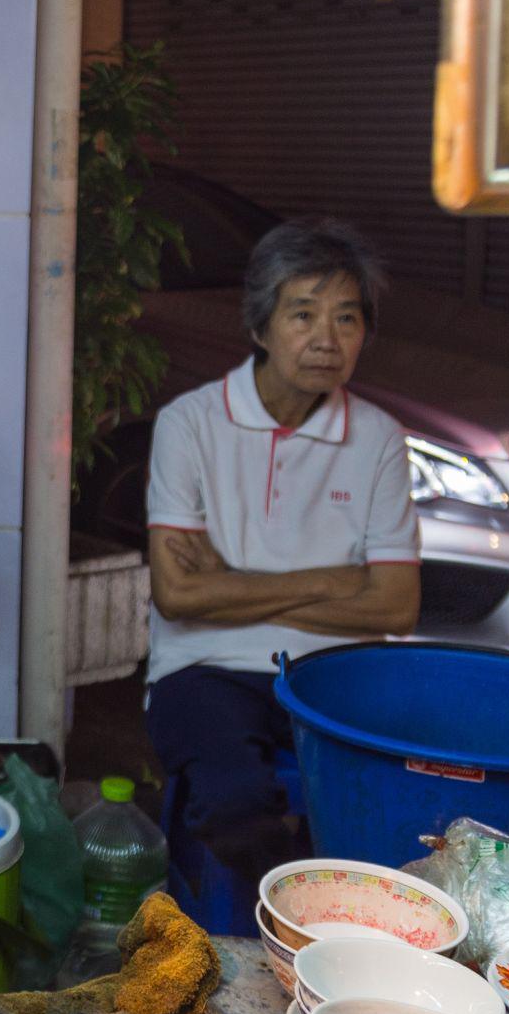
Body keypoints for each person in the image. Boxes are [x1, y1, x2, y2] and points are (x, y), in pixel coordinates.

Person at [144, 219, 419, 894]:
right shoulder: (190, 423)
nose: (326, 339)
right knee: (234, 802)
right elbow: (176, 597)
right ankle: (299, 920)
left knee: (399, 799)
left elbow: (395, 606)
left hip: (332, 670)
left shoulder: (378, 438)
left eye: (346, 319)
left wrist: (230, 583)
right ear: (261, 327)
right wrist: (336, 580)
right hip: (203, 668)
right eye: (303, 315)